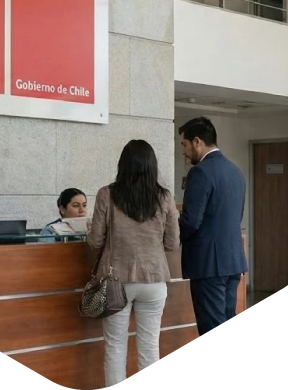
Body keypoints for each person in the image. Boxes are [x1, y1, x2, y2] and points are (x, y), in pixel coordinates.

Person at [87, 139, 180, 389]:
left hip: (116, 281)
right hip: (154, 280)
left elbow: (95, 241)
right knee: (150, 347)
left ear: (123, 164)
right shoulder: (165, 197)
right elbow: (173, 243)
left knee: (115, 347)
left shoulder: (107, 194)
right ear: (152, 166)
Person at [178, 116, 248, 338]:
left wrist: (171, 232)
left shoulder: (200, 172)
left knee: (211, 326)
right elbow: (236, 217)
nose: (183, 152)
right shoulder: (236, 172)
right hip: (232, 262)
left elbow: (190, 222)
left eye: (184, 145)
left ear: (197, 141)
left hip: (208, 265)